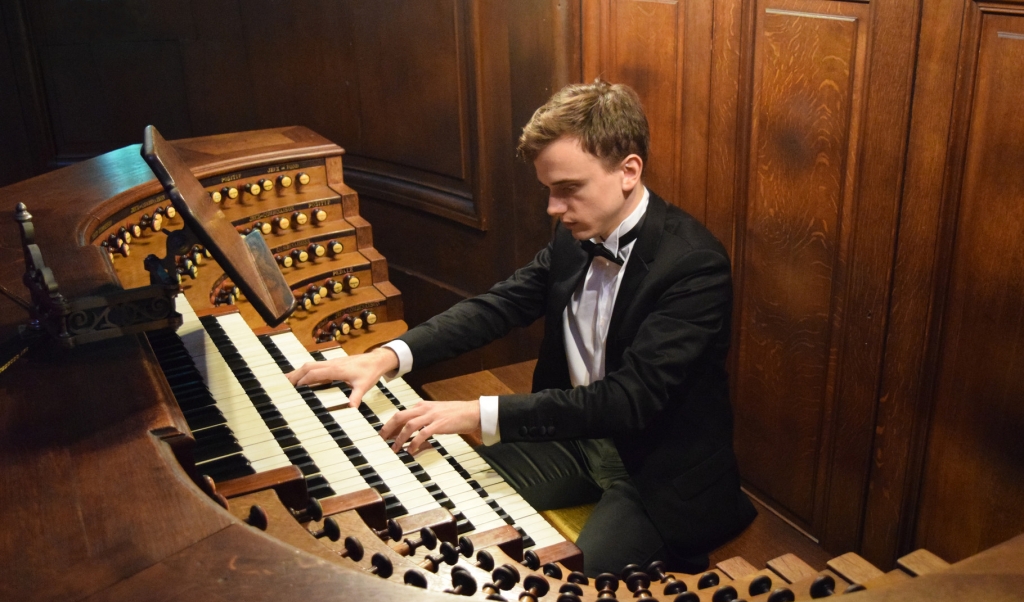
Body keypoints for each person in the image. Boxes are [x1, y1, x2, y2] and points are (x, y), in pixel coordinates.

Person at [287, 81, 756, 576]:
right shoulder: (576, 232)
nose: (553, 208)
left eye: (568, 189)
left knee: (562, 591)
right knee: (432, 499)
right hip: (572, 440)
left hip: (653, 472)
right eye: (549, 191)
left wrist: (478, 412)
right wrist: (387, 356)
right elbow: (501, 304)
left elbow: (627, 401)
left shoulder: (694, 265)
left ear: (628, 171)